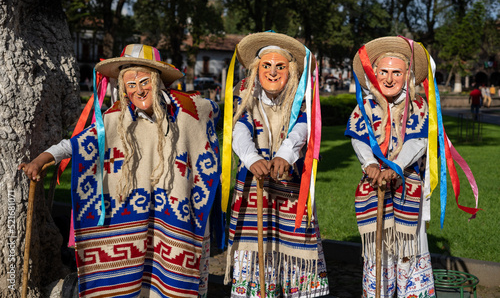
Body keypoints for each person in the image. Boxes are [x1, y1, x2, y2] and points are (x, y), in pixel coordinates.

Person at [19, 44, 223, 298]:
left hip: (173, 219)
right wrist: (41, 159)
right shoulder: (115, 119)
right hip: (132, 219)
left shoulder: (185, 113)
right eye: (130, 84)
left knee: (171, 284)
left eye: (144, 81)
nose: (138, 89)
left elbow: (210, 113)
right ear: (122, 88)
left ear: (158, 80)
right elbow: (77, 143)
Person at [223, 32, 329, 297]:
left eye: (280, 66)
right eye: (266, 66)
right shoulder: (244, 97)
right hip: (253, 193)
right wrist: (251, 158)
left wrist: (285, 153)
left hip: (292, 193)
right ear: (256, 69)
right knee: (254, 260)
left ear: (290, 69)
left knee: (297, 260)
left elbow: (303, 129)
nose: (272, 72)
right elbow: (238, 129)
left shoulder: (302, 100)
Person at [345, 37, 435, 298]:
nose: (388, 78)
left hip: (408, 187)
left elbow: (418, 140)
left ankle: (412, 291)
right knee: (378, 249)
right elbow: (359, 138)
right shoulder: (366, 106)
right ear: (374, 74)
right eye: (383, 71)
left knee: (411, 248)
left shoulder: (418, 106)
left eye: (396, 72)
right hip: (374, 186)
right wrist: (370, 164)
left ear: (407, 75)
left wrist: (396, 166)